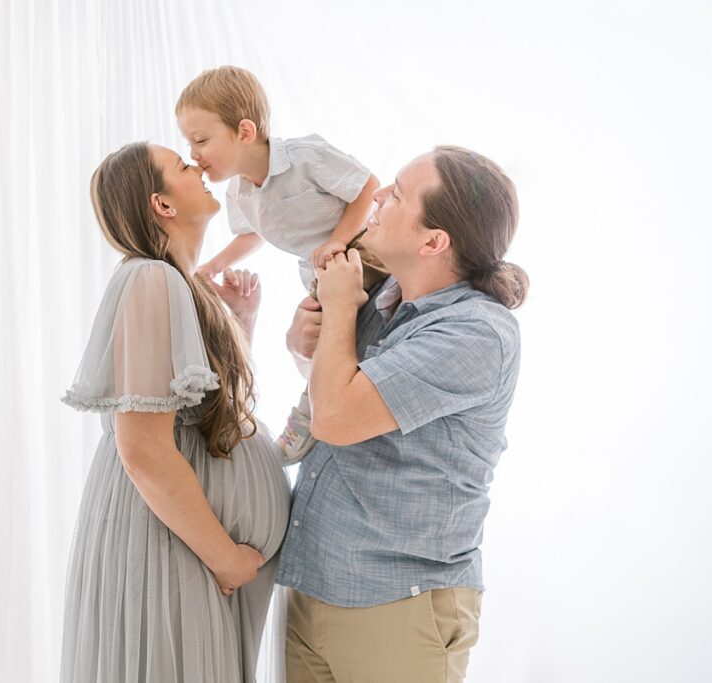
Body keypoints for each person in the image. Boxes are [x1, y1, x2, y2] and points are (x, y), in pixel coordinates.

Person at [277, 146, 529, 683]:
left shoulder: (477, 332)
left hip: (397, 602)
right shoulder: (386, 295)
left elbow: (337, 419)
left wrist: (341, 305)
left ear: (433, 241)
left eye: (397, 192)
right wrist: (303, 346)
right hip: (317, 580)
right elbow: (343, 394)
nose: (378, 196)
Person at [59, 142, 291, 683]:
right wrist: (224, 557)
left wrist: (237, 324)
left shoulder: (176, 283)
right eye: (185, 167)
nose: (201, 168)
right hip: (173, 547)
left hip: (185, 546)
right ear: (162, 204)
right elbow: (142, 449)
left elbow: (206, 413)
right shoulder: (150, 278)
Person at [175, 65, 386, 461]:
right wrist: (212, 265)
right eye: (188, 144)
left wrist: (338, 241)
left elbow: (367, 188)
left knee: (330, 342)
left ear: (244, 132)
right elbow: (252, 234)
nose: (194, 155)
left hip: (364, 253)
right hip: (320, 275)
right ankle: (318, 412)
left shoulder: (305, 158)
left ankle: (307, 420)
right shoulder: (240, 191)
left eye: (201, 140)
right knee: (323, 343)